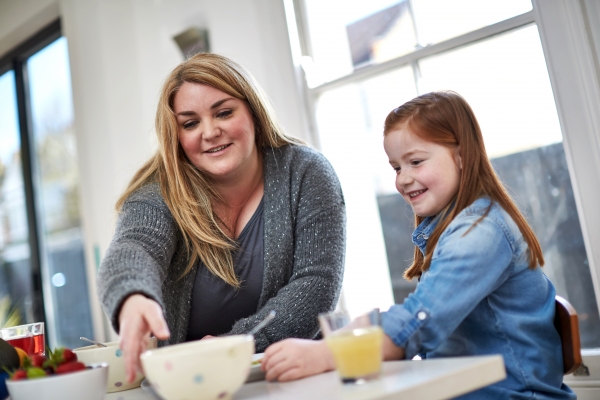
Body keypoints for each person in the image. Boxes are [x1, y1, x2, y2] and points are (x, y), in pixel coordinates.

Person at [261, 91, 575, 399]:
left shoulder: (481, 232)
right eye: (397, 167)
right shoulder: (450, 229)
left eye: (416, 162)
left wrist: (324, 354)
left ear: (462, 156)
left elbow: (421, 320)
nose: (403, 179)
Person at [96, 53, 346, 383]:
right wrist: (132, 296)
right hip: (191, 388)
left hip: (294, 382)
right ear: (177, 136)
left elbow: (316, 283)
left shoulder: (306, 172)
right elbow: (134, 246)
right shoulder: (158, 193)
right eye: (190, 123)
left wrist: (234, 346)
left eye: (224, 112)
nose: (210, 132)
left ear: (253, 111)